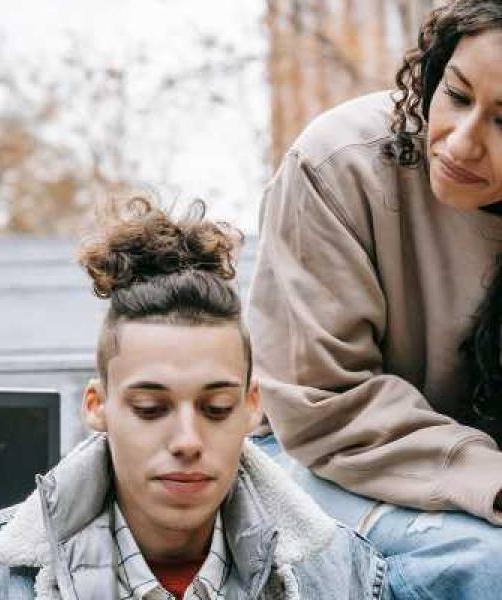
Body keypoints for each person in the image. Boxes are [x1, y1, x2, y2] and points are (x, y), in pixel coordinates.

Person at [0, 198, 387, 600]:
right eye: (151, 409)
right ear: (96, 407)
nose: (187, 440)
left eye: (216, 409)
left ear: (251, 408)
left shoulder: (346, 574)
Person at [248, 1, 502, 598]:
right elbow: (322, 403)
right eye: (457, 96)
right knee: (485, 566)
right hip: (319, 458)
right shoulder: (339, 164)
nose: (461, 145)